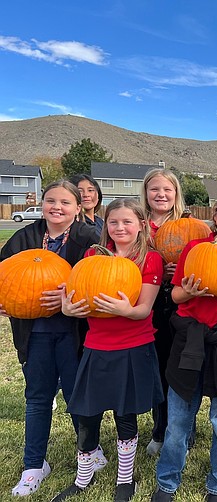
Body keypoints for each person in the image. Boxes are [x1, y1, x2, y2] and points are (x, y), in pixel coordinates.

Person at [152, 191, 217, 502]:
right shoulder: (194, 249)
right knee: (178, 421)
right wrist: (188, 291)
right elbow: (174, 298)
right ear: (215, 215)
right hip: (188, 341)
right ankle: (167, 481)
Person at [53, 198, 164, 502]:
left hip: (133, 346)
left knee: (125, 415)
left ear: (141, 224)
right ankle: (82, 477)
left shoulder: (150, 259)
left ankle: (125, 480)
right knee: (87, 413)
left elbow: (143, 310)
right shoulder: (92, 255)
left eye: (127, 221)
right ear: (106, 225)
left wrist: (125, 309)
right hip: (96, 345)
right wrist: (68, 308)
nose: (120, 228)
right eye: (113, 222)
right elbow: (78, 297)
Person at [0, 180, 99, 497]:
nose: (57, 207)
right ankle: (34, 465)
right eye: (50, 200)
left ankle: (89, 452)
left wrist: (68, 300)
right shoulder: (24, 238)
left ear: (78, 207)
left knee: (77, 396)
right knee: (39, 397)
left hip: (74, 334)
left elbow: (101, 278)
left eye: (65, 202)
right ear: (42, 203)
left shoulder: (88, 239)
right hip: (34, 333)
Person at [140, 168, 190, 456]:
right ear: (146, 193)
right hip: (148, 304)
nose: (161, 195)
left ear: (176, 194)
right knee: (157, 369)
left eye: (167, 190)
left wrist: (180, 269)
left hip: (181, 304)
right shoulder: (137, 224)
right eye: (155, 189)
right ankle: (160, 429)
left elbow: (206, 261)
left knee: (180, 370)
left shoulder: (189, 224)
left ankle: (183, 428)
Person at [69, 173, 104, 238]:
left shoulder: (101, 222)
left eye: (90, 190)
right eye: (80, 191)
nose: (86, 195)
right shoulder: (72, 224)